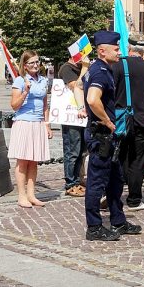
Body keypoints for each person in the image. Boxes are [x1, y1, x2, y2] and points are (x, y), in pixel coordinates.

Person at [83, 31, 142, 241]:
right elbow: (92, 99)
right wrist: (108, 122)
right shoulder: (99, 72)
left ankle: (118, 220)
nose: (119, 52)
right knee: (97, 183)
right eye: (116, 49)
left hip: (107, 135)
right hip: (102, 135)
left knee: (115, 181)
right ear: (101, 51)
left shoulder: (101, 69)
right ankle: (94, 227)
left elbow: (83, 89)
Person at [112, 36, 144, 211]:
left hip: (121, 119)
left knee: (120, 157)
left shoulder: (117, 66)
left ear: (129, 48)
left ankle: (114, 194)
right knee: (138, 161)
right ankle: (134, 199)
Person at [8, 50, 52, 208]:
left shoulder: (43, 81)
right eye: (32, 62)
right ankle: (21, 195)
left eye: (37, 62)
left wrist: (47, 125)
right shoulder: (20, 81)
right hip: (24, 122)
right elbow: (14, 106)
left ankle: (31, 194)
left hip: (38, 123)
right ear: (25, 66)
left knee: (34, 161)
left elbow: (45, 104)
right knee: (22, 160)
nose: (35, 65)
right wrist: (26, 91)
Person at [57, 56, 88, 197]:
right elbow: (76, 86)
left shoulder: (80, 68)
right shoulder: (66, 68)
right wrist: (85, 68)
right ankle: (70, 183)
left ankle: (77, 180)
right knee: (72, 150)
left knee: (81, 150)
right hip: (71, 117)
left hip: (81, 116)